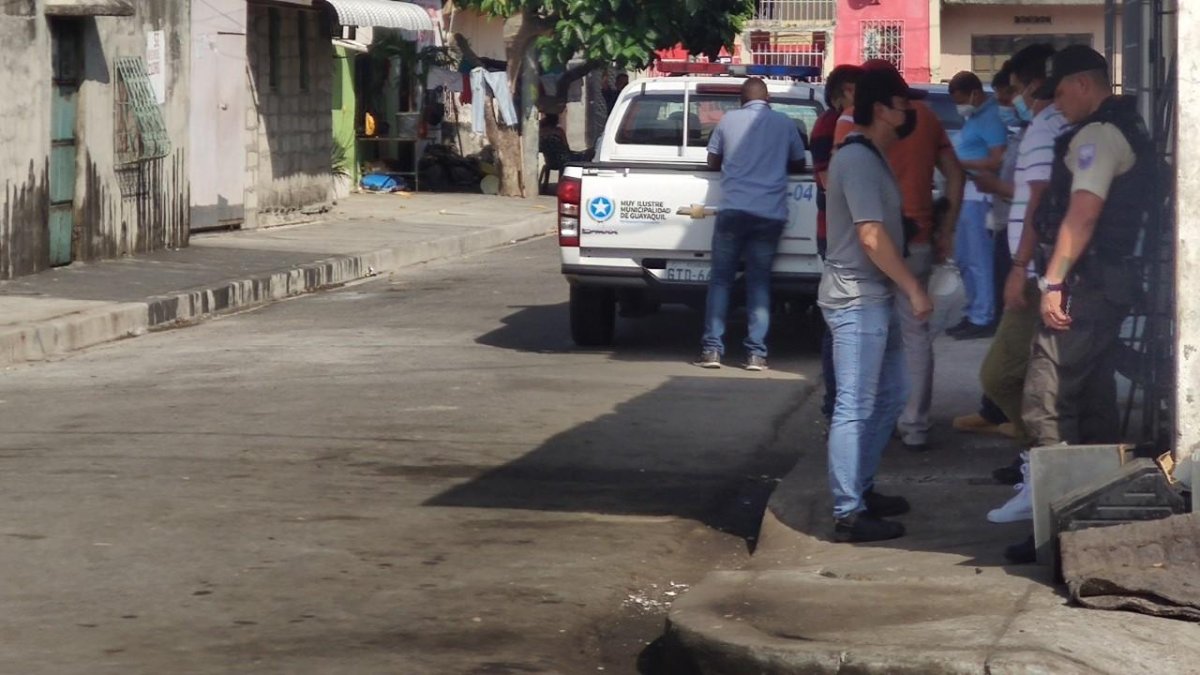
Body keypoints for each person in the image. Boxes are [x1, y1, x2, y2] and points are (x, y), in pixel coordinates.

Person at [1007, 46, 1155, 563]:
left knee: (1045, 401)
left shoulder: (1098, 136)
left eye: (1061, 94)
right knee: (1093, 406)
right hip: (1105, 286)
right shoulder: (1119, 129)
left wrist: (1052, 283)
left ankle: (1054, 528)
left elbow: (1083, 216)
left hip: (1086, 287)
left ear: (1085, 86)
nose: (1055, 107)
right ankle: (1095, 526)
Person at [821, 66, 933, 542]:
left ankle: (861, 490)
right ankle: (848, 512)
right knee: (855, 405)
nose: (909, 111)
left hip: (873, 297)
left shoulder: (873, 155)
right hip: (856, 300)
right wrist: (913, 287)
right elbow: (870, 236)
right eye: (902, 103)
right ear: (882, 109)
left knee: (888, 396)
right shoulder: (861, 159)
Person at [834, 60, 966, 452]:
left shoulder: (849, 126)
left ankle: (873, 421)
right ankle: (915, 424)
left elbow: (842, 191)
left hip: (871, 251)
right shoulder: (924, 117)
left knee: (872, 339)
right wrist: (947, 227)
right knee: (914, 337)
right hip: (919, 238)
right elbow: (956, 175)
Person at [965, 45, 1070, 491]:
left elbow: (1040, 200)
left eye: (1016, 90)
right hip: (1031, 268)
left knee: (1006, 375)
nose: (1015, 99)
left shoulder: (1049, 129)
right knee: (1031, 375)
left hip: (1034, 274)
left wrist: (1021, 266)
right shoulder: (1043, 126)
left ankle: (1040, 463)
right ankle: (1033, 462)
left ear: (1031, 85)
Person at [694, 78, 806, 371]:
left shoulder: (728, 120)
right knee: (759, 283)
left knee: (721, 280)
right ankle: (756, 354)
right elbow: (797, 162)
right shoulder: (785, 123)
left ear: (741, 100)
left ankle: (712, 350)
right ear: (767, 99)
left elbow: (712, 163)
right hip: (770, 215)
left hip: (732, 212)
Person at [811, 64, 864, 419]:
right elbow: (831, 183)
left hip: (843, 231)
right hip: (837, 235)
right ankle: (835, 406)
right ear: (844, 90)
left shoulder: (846, 122)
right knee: (840, 320)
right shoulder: (830, 125)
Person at [945, 71, 1009, 340]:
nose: (959, 106)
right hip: (966, 193)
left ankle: (984, 315)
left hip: (980, 194)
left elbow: (998, 159)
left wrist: (962, 164)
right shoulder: (974, 117)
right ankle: (973, 311)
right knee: (963, 259)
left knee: (979, 259)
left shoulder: (992, 117)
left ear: (974, 92)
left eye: (961, 99)